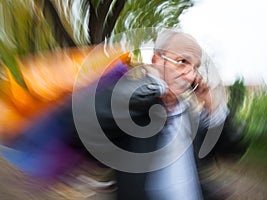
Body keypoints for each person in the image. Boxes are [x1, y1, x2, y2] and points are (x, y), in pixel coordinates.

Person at [88, 29, 228, 200]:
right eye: (182, 61)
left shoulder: (192, 116)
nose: (191, 75)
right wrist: (155, 88)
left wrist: (212, 105)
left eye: (195, 67)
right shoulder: (135, 108)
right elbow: (89, 121)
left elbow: (230, 149)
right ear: (156, 60)